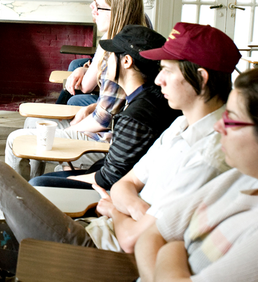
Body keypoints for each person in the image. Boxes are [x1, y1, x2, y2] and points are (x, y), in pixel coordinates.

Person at [0, 22, 240, 282]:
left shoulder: (208, 156)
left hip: (99, 253)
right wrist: (128, 204)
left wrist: (118, 208)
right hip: (95, 225)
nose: (159, 79)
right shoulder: (182, 126)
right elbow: (123, 185)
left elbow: (135, 237)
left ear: (202, 78)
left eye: (167, 70)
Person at [135, 66, 258, 281]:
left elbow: (164, 237)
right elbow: (152, 234)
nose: (218, 127)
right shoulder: (245, 177)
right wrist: (172, 255)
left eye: (231, 120)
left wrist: (173, 246)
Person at [5, 0, 147, 179]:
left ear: (116, 12)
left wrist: (71, 128)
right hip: (100, 128)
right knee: (32, 122)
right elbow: (115, 104)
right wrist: (89, 108)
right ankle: (31, 187)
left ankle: (17, 201)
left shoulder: (120, 56)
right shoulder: (124, 43)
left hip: (101, 141)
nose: (93, 9)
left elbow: (102, 120)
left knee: (15, 139)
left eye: (98, 6)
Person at [28, 25, 180, 190]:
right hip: (115, 177)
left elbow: (109, 178)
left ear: (127, 61)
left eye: (110, 56)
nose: (104, 63)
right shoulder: (150, 97)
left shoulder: (136, 116)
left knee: (38, 185)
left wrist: (71, 178)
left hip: (110, 190)